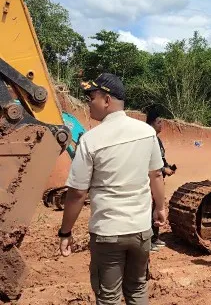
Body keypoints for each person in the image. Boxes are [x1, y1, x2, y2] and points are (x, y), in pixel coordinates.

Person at [58, 73, 166, 305]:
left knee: (108, 297)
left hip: (108, 233)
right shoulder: (147, 133)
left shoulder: (90, 140)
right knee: (137, 290)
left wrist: (65, 232)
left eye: (91, 97)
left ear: (106, 100)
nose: (88, 102)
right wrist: (160, 208)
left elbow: (77, 193)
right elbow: (156, 174)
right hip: (140, 231)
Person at [146, 111, 177, 252]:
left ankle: (154, 238)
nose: (162, 125)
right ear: (151, 123)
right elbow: (150, 162)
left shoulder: (157, 139)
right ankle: (148, 241)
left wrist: (167, 166)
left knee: (156, 208)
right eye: (159, 122)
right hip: (150, 181)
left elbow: (161, 159)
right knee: (151, 210)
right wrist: (164, 170)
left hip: (158, 178)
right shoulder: (148, 138)